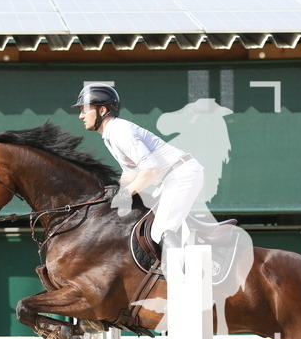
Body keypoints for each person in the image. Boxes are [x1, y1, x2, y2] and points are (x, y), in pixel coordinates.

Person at [74, 83, 204, 253]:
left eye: (85, 110)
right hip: (172, 178)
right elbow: (130, 171)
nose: (81, 116)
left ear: (103, 111)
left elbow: (151, 171)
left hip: (181, 175)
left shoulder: (120, 132)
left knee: (161, 232)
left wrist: (123, 194)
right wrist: (118, 190)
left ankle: (187, 277)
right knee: (146, 223)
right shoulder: (111, 134)